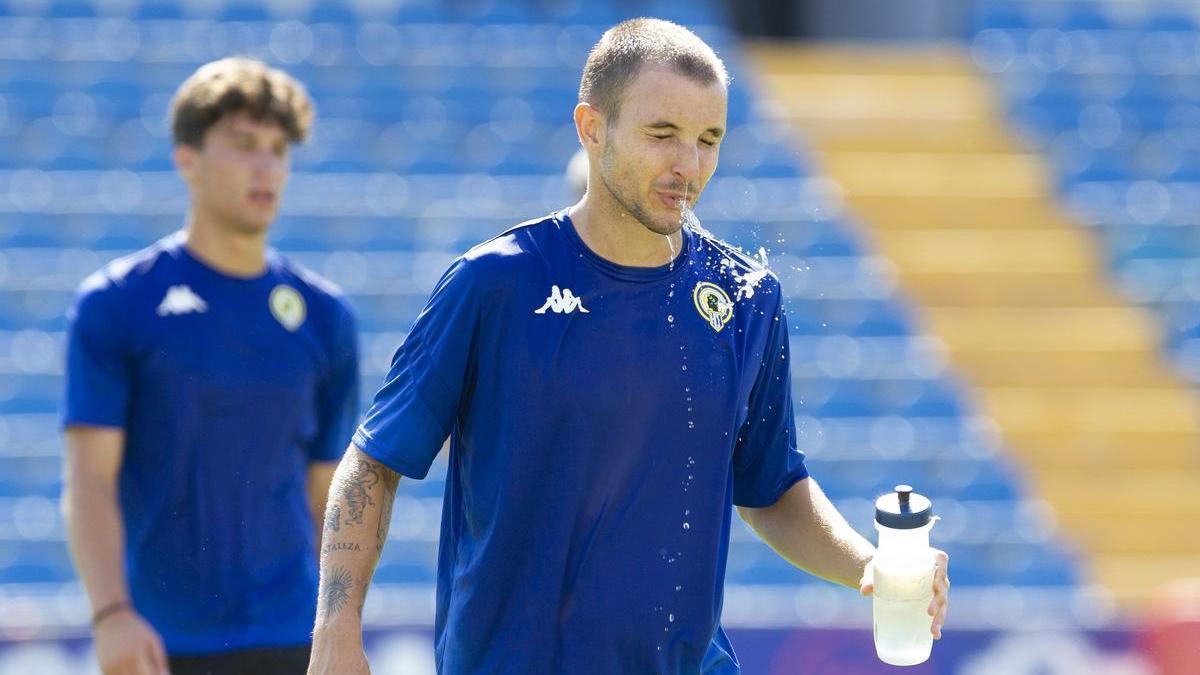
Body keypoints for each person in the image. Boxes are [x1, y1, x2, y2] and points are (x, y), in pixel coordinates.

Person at [308, 18, 948, 674]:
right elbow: (372, 463)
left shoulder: (748, 297)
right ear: (591, 126)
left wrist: (868, 564)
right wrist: (336, 629)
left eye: (709, 140)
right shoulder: (495, 281)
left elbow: (770, 487)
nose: (689, 166)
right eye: (662, 135)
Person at [62, 57, 359, 675]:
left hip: (291, 636)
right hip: (160, 641)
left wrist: (338, 623)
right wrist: (111, 612)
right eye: (244, 145)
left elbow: (327, 493)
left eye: (279, 150)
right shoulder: (118, 304)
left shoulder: (326, 316)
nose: (266, 167)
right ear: (187, 159)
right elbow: (90, 480)